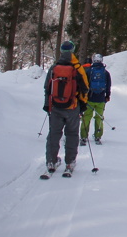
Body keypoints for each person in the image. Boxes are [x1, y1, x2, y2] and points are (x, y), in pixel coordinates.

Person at [43, 40, 89, 174]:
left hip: (56, 106)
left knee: (54, 134)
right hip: (73, 107)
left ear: (61, 51)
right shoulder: (77, 68)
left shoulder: (54, 67)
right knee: (72, 134)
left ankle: (51, 161)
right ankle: (70, 163)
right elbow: (85, 88)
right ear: (72, 51)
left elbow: (47, 87)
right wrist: (83, 104)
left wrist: (47, 104)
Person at [80, 53, 111, 145]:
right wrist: (107, 96)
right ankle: (98, 136)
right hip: (101, 99)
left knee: (87, 117)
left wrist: (83, 97)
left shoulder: (89, 71)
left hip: (89, 99)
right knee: (99, 117)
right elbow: (108, 86)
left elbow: (84, 85)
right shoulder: (106, 73)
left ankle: (84, 137)